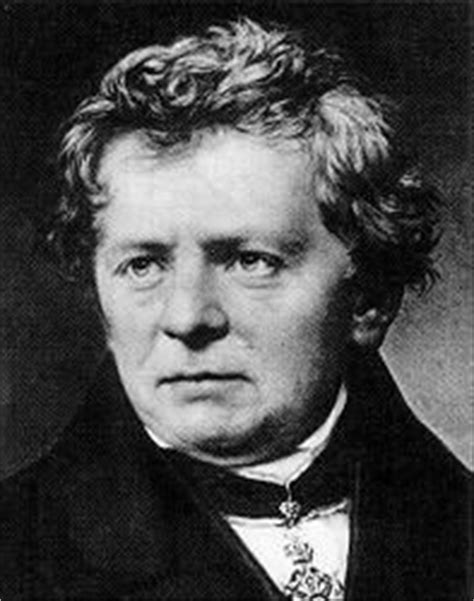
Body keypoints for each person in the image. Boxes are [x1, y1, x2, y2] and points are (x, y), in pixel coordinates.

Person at [0, 18, 469, 601]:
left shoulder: (455, 524)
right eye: (143, 265)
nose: (188, 318)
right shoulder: (17, 553)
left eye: (251, 261)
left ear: (370, 299)